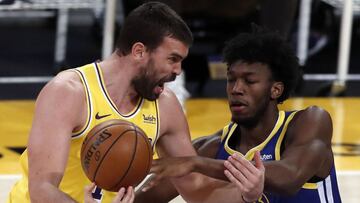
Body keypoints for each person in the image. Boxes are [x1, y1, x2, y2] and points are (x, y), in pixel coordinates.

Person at [7, 2, 264, 203]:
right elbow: (42, 190)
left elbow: (196, 188)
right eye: (172, 59)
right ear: (139, 51)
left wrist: (247, 194)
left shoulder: (165, 106)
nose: (178, 70)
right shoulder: (70, 92)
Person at [135, 26, 342, 203]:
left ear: (275, 90)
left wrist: (196, 163)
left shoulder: (310, 121)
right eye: (231, 79)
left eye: (249, 81)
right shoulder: (212, 147)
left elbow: (290, 177)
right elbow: (146, 198)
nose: (236, 89)